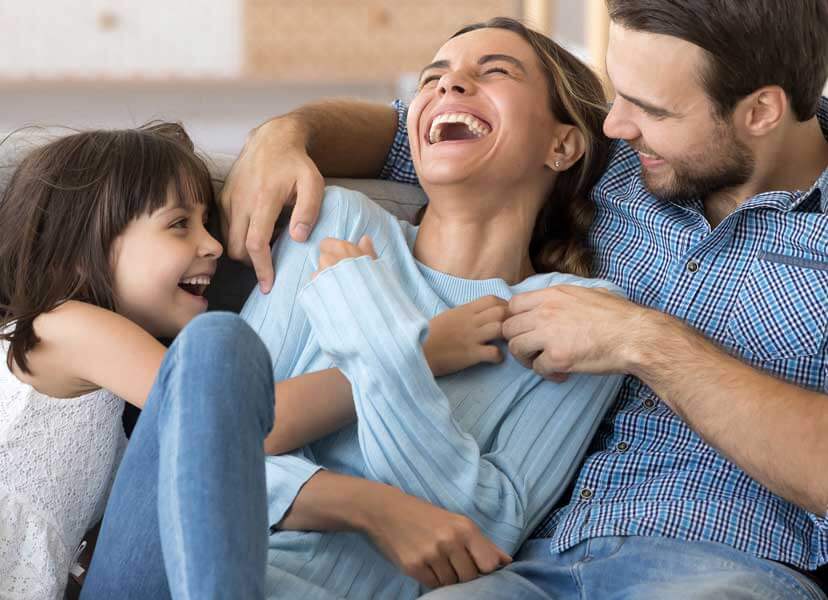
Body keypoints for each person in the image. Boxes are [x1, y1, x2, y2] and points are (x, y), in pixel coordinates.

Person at [219, 2, 828, 598]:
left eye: (649, 107)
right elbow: (413, 129)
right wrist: (284, 133)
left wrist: (643, 340)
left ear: (761, 111)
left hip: (721, 564)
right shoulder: (621, 157)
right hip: (532, 564)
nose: (614, 123)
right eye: (619, 92)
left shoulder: (583, 278)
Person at [82, 17, 624, 600]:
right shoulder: (337, 222)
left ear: (561, 144)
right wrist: (373, 508)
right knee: (215, 346)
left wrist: (378, 339)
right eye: (433, 79)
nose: (448, 87)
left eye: (494, 72)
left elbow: (481, 531)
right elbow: (217, 443)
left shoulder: (575, 319)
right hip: (164, 572)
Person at [0, 123, 504, 598]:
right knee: (217, 346)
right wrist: (414, 357)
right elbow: (248, 426)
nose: (214, 245)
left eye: (206, 223)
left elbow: (208, 466)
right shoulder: (61, 325)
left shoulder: (124, 388)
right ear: (79, 254)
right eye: (179, 225)